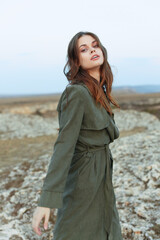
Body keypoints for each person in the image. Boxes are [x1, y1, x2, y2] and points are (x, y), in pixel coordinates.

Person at [32, 31, 123, 240]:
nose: (92, 50)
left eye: (95, 45)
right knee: (75, 231)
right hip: (83, 178)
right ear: (77, 62)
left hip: (102, 176)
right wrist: (46, 201)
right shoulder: (76, 93)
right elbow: (64, 145)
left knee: (108, 229)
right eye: (84, 49)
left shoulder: (99, 93)